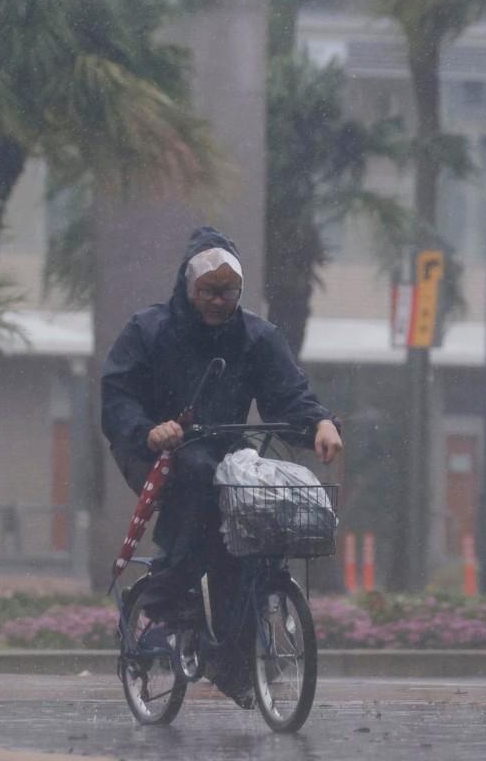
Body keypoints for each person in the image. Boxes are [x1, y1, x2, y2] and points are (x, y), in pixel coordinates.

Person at [102, 225, 343, 708]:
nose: (218, 301)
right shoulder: (147, 331)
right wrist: (149, 430)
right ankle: (169, 592)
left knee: (244, 536)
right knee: (193, 474)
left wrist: (319, 423)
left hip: (226, 454)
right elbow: (117, 396)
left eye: (227, 292)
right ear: (188, 289)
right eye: (209, 292)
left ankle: (231, 662)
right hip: (154, 453)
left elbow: (289, 391)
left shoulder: (257, 337)